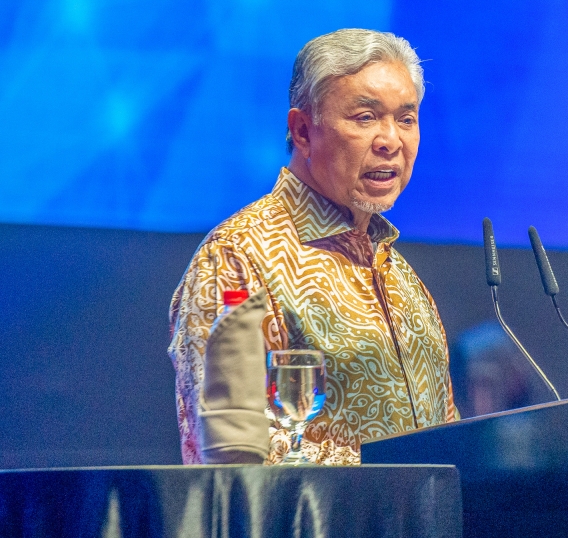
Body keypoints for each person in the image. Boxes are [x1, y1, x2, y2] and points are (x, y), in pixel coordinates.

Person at [168, 29, 459, 465]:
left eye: (406, 118)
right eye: (365, 117)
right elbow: (236, 454)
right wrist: (397, 476)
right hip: (306, 533)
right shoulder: (237, 259)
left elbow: (444, 434)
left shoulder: (398, 272)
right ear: (302, 131)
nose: (391, 141)